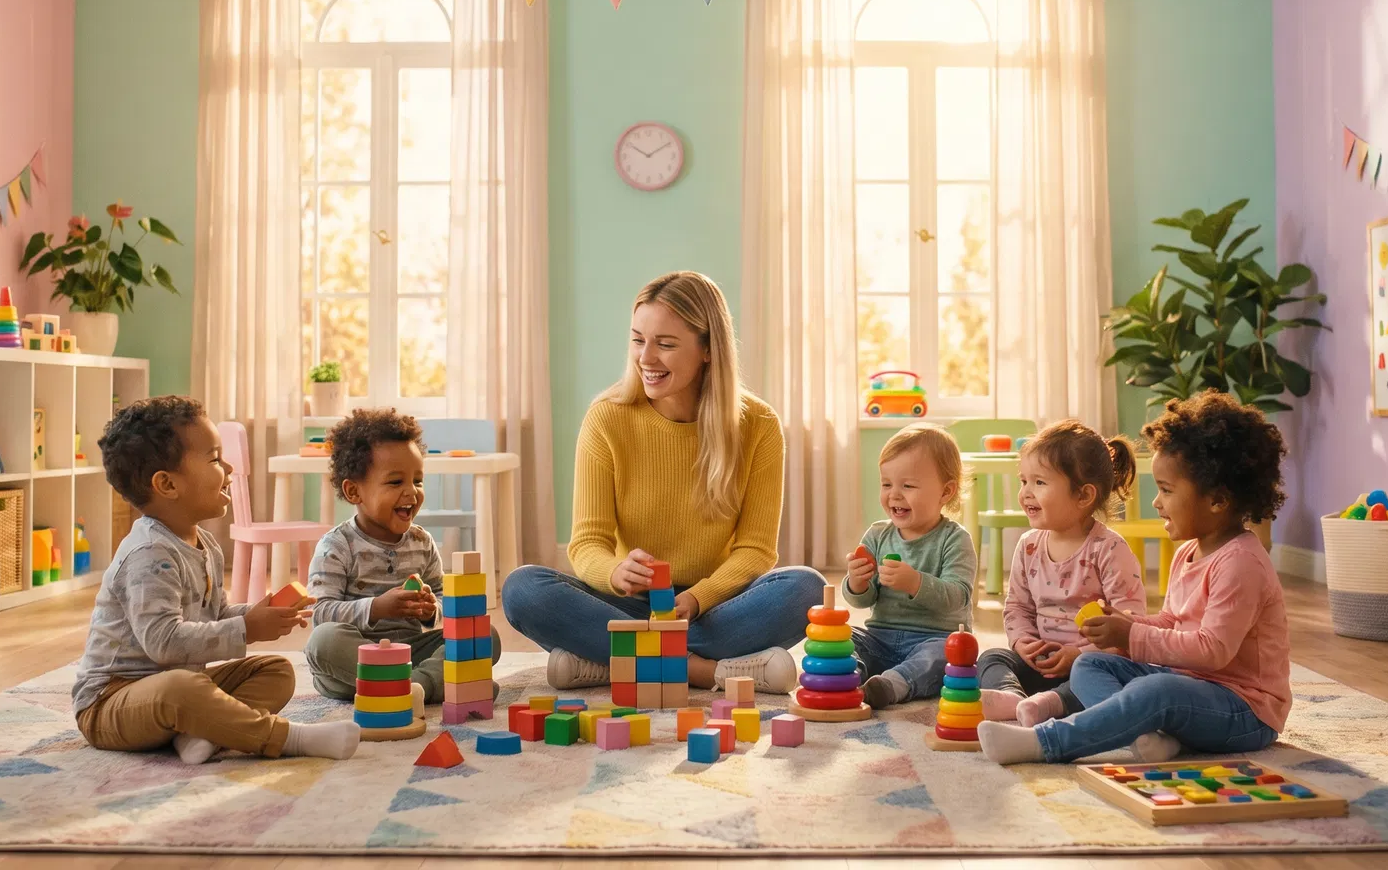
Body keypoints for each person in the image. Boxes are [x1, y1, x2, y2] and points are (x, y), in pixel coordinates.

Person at [502, 271, 823, 692]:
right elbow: (586, 544)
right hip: (629, 603)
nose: (646, 358)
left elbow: (756, 550)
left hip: (714, 605)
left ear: (708, 349)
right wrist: (616, 572)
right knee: (523, 589)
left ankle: (610, 662)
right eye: (638, 339)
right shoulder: (607, 418)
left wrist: (696, 598)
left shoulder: (758, 425)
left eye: (666, 344)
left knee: (806, 589)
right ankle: (702, 670)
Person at [978, 392, 1292, 764]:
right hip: (1189, 686)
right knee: (1090, 664)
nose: (1157, 502)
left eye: (1166, 491)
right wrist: (1126, 624)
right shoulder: (1188, 553)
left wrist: (1132, 635)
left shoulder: (1241, 563)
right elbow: (1172, 621)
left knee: (1157, 689)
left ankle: (1046, 742)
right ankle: (1144, 737)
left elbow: (1213, 650)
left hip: (1243, 708)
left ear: (1218, 500)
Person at [71, 396, 360, 763]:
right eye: (214, 459)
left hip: (175, 691)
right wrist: (247, 629)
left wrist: (256, 613)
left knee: (275, 670)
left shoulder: (204, 543)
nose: (228, 467)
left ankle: (201, 732)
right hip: (111, 702)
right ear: (167, 484)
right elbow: (164, 642)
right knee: (182, 687)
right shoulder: (148, 553)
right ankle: (287, 739)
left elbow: (215, 613)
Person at [303, 408, 502, 701]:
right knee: (322, 642)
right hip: (358, 659)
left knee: (486, 635)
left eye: (417, 481)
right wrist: (377, 608)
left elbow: (443, 596)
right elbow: (319, 612)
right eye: (396, 482)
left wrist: (431, 607)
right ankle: (431, 686)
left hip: (412, 650)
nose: (412, 492)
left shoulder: (422, 541)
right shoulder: (336, 546)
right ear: (354, 492)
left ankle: (414, 687)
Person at [974, 420, 1145, 724]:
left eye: (1039, 483)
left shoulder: (1109, 549)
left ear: (1083, 496)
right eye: (1023, 481)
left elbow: (1128, 622)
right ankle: (1012, 697)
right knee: (991, 657)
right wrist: (1023, 641)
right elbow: (1017, 607)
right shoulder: (1028, 546)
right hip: (1040, 660)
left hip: (1089, 665)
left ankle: (1051, 704)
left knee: (1101, 681)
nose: (1026, 492)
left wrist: (1080, 654)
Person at [840, 424, 976, 707]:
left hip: (932, 639)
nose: (894, 494)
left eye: (908, 486)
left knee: (947, 654)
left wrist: (915, 582)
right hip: (879, 637)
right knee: (842, 636)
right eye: (886, 484)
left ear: (945, 491)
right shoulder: (877, 535)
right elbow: (863, 600)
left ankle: (893, 684)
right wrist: (857, 582)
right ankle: (848, 676)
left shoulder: (955, 539)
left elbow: (958, 597)